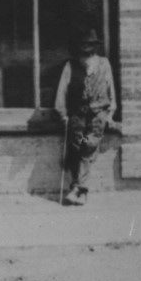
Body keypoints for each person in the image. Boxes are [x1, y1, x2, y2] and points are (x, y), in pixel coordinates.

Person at [55, 29, 117, 206]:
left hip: (98, 115)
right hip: (77, 116)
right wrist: (63, 113)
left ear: (94, 46)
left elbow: (110, 88)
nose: (86, 47)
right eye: (82, 44)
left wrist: (111, 113)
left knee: (89, 144)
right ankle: (80, 190)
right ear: (78, 47)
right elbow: (62, 91)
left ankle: (77, 188)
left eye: (89, 44)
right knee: (78, 145)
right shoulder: (71, 65)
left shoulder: (104, 64)